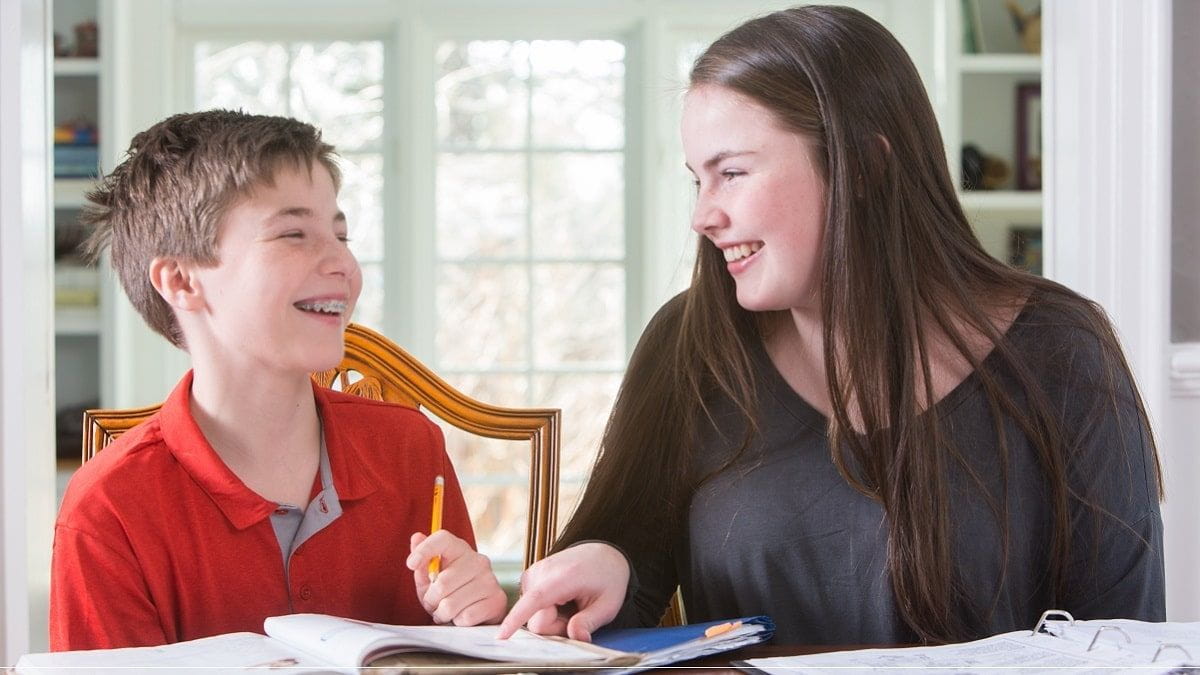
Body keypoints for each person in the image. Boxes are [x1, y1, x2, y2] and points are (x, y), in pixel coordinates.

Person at [500, 5, 1164, 646]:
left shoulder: (1061, 351)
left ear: (868, 167)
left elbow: (1123, 643)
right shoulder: (687, 346)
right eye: (697, 180)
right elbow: (613, 593)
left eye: (731, 172)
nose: (703, 216)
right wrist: (605, 566)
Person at [50, 110, 506, 650]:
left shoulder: (410, 447)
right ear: (181, 280)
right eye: (294, 233)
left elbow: (459, 649)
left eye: (341, 234)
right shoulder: (108, 508)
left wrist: (480, 618)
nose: (343, 262)